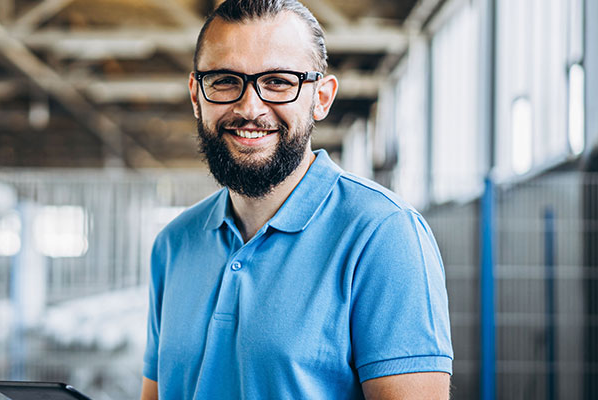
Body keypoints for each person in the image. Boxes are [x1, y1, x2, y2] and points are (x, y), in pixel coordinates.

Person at [139, 1, 453, 398]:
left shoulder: (383, 234)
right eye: (223, 80)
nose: (249, 107)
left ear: (321, 98)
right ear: (196, 96)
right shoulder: (173, 244)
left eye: (278, 81)